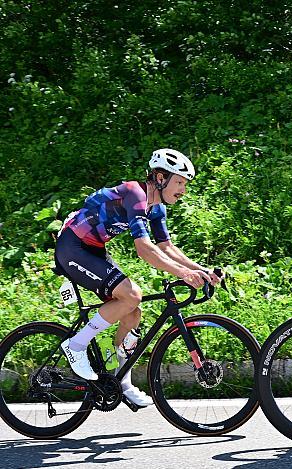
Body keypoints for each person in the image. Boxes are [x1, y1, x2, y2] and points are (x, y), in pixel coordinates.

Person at [55, 149, 221, 407]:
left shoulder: (156, 209)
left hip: (94, 249)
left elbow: (166, 248)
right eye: (179, 182)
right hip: (72, 246)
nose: (183, 190)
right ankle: (75, 345)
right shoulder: (135, 194)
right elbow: (144, 249)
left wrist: (201, 270)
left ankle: (121, 382)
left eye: (185, 184)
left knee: (132, 313)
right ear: (160, 177)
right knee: (131, 294)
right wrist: (184, 274)